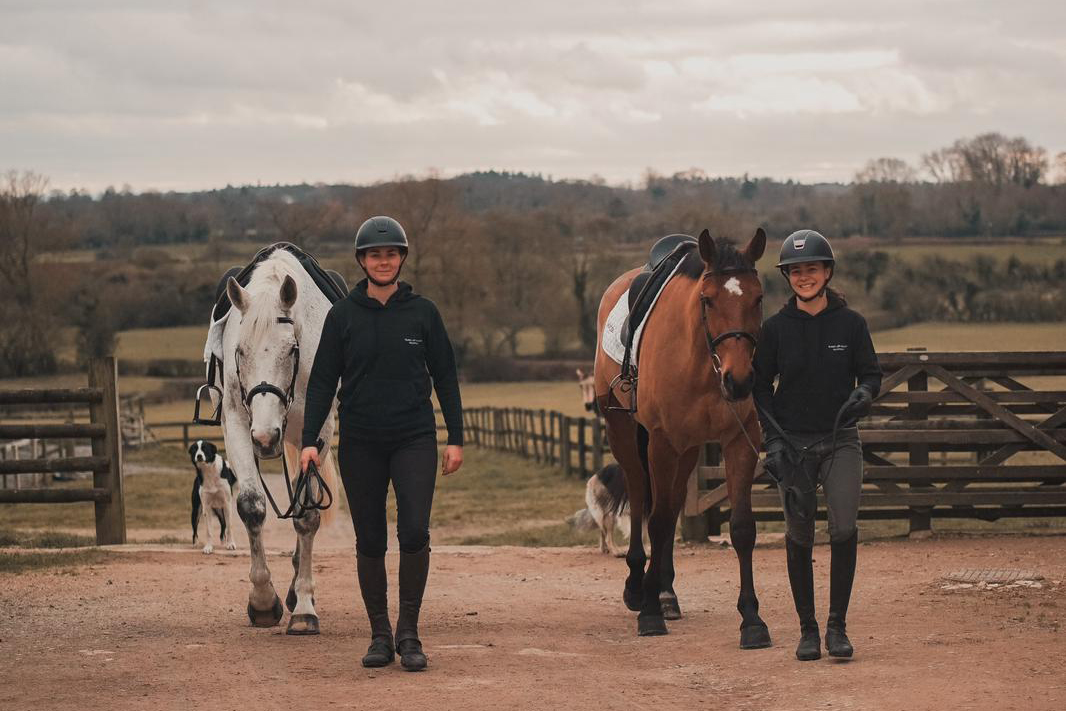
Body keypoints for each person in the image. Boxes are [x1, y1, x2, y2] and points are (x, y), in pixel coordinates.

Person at [300, 215, 464, 672]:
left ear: (402, 258)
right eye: (375, 254)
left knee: (413, 531)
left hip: (414, 437)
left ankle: (408, 633)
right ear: (362, 260)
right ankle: (379, 635)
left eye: (391, 253)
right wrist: (311, 440)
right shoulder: (342, 316)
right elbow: (321, 384)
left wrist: (457, 437)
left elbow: (446, 376)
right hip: (360, 442)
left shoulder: (424, 313)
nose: (384, 260)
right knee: (370, 539)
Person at [752, 229, 881, 662]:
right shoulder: (774, 330)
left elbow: (871, 374)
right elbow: (759, 389)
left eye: (812, 269)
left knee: (843, 528)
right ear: (788, 277)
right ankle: (807, 629)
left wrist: (863, 394)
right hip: (793, 445)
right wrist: (774, 441)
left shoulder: (852, 324)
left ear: (827, 272)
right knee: (799, 534)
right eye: (796, 271)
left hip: (841, 440)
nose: (804, 277)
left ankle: (837, 628)